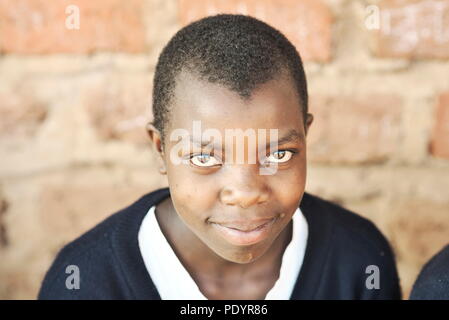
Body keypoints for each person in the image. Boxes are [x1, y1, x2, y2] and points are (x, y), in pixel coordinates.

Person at [38, 14, 401, 300]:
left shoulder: (359, 260)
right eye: (203, 159)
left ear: (305, 135)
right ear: (161, 149)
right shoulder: (86, 280)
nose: (244, 193)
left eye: (278, 153)